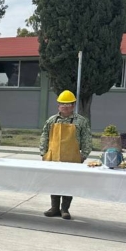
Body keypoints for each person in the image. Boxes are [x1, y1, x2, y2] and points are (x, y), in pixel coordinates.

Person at [40, 90, 92, 220]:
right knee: (54, 182)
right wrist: (44, 153)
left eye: (68, 105)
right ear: (58, 106)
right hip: (53, 158)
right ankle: (54, 208)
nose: (65, 107)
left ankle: (65, 209)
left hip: (72, 159)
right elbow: (44, 137)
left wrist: (83, 155)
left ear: (73, 106)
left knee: (69, 184)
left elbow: (87, 140)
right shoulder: (52, 120)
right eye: (62, 104)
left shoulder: (81, 121)